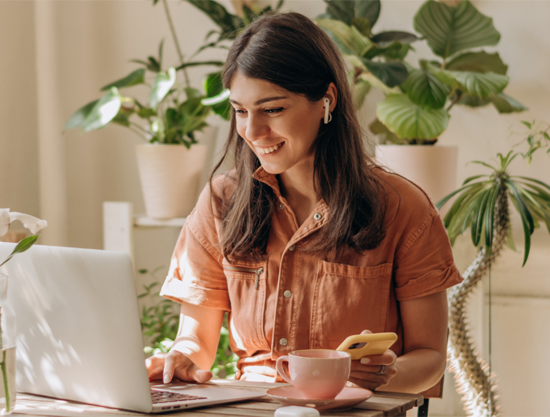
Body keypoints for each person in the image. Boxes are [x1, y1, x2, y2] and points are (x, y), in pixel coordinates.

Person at [145, 11, 462, 395]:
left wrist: (386, 374)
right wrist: (180, 358)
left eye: (273, 109)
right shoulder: (220, 202)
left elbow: (430, 356)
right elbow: (196, 343)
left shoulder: (402, 206)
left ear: (326, 100)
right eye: (240, 111)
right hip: (254, 406)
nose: (252, 131)